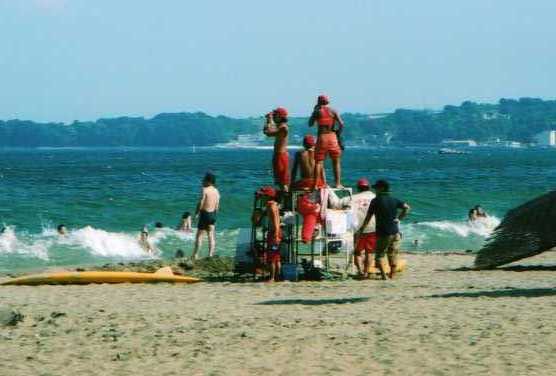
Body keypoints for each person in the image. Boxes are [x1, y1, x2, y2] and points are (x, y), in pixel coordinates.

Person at [359, 180, 410, 280]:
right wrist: (399, 219)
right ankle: (392, 274)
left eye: (376, 188)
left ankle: (384, 276)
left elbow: (368, 217)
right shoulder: (394, 199)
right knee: (392, 253)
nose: (375, 190)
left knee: (379, 254)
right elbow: (407, 208)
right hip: (395, 231)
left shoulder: (375, 201)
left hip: (383, 232)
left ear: (381, 188)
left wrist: (362, 229)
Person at [308, 95, 344, 188]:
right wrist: (338, 133)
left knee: (318, 162)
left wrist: (314, 111)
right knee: (336, 161)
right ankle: (338, 183)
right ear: (327, 102)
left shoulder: (317, 111)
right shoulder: (333, 111)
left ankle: (315, 185)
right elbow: (341, 123)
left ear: (319, 102)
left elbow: (310, 124)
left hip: (322, 137)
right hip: (332, 137)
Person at [192, 172, 221, 259]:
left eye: (204, 179)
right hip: (213, 215)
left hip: (205, 214)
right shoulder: (216, 191)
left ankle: (195, 255)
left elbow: (201, 202)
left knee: (199, 235)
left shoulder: (205, 189)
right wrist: (215, 215)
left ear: (208, 181)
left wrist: (196, 213)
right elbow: (217, 205)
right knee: (211, 235)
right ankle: (210, 254)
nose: (202, 181)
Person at [264, 107, 290, 192]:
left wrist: (269, 120)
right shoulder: (280, 126)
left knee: (282, 182)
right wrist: (269, 120)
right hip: (279, 155)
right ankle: (284, 199)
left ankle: (287, 200)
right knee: (280, 182)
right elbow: (269, 130)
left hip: (281, 156)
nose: (274, 116)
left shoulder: (283, 127)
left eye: (275, 115)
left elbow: (269, 132)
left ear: (280, 117)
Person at [265, 188, 282, 282]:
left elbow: (276, 221)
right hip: (276, 232)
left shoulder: (271, 206)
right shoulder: (274, 205)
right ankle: (277, 277)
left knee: (272, 256)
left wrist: (275, 234)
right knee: (277, 256)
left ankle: (272, 277)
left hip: (274, 232)